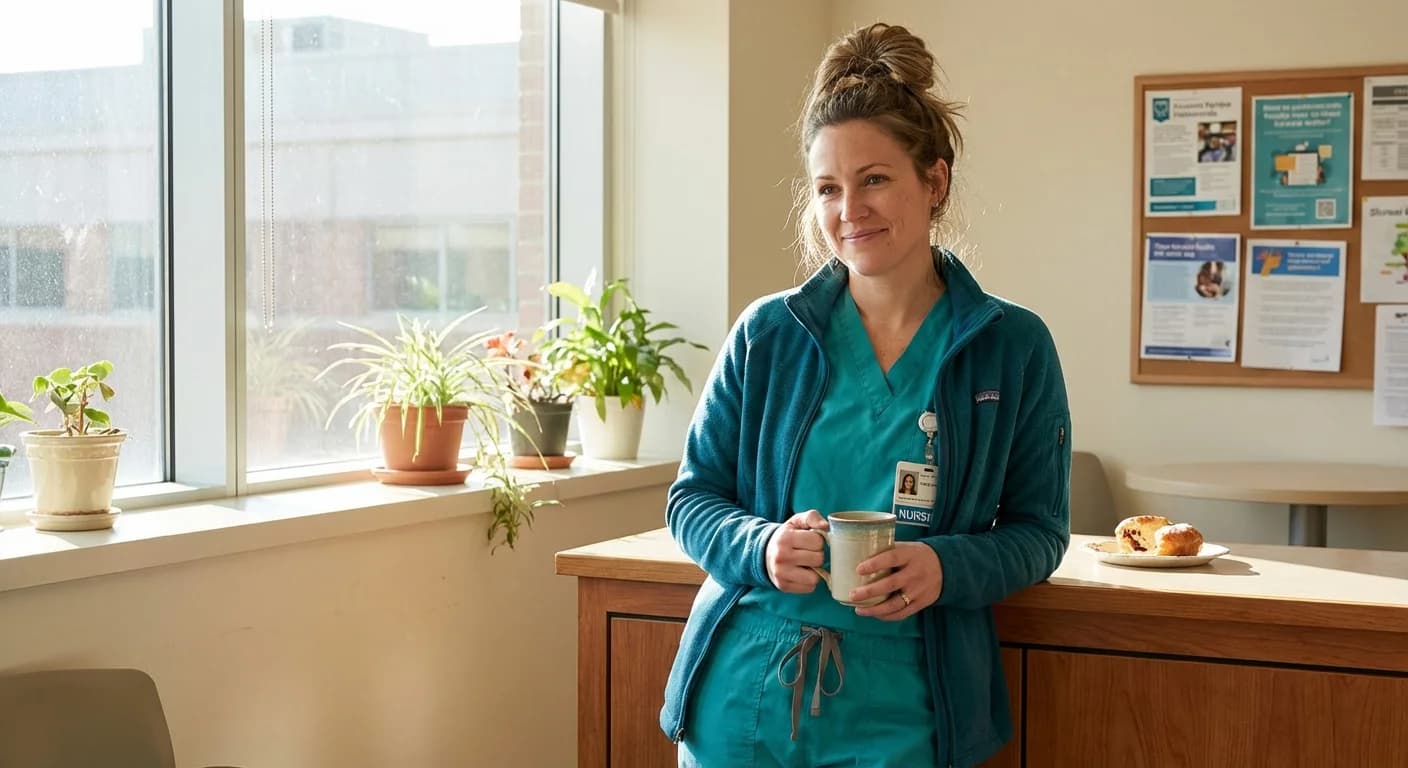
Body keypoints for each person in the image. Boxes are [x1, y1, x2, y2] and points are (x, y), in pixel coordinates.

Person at [660, 22, 1071, 768]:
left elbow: (1041, 532)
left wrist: (945, 567)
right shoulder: (766, 336)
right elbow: (691, 501)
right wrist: (762, 544)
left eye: (875, 178)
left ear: (934, 181)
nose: (850, 209)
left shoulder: (1012, 347)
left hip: (909, 710)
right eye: (828, 188)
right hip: (742, 700)